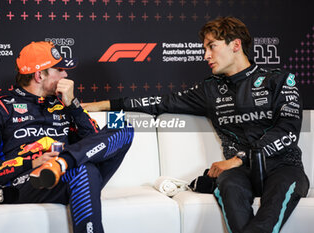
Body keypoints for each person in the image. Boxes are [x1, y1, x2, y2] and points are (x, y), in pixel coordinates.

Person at [82, 17, 309, 233]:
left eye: (212, 46)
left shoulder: (278, 80)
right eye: (204, 48)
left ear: (236, 45)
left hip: (282, 166)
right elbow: (159, 103)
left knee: (276, 198)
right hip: (238, 173)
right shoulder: (210, 89)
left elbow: (288, 130)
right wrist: (103, 104)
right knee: (228, 186)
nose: (205, 55)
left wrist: (237, 159)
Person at [0, 41, 134, 233]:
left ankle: (62, 163)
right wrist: (33, 163)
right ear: (39, 75)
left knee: (122, 125)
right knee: (84, 170)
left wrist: (74, 105)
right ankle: (63, 165)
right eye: (60, 69)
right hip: (32, 180)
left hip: (68, 172)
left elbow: (96, 142)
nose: (66, 74)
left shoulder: (64, 104)